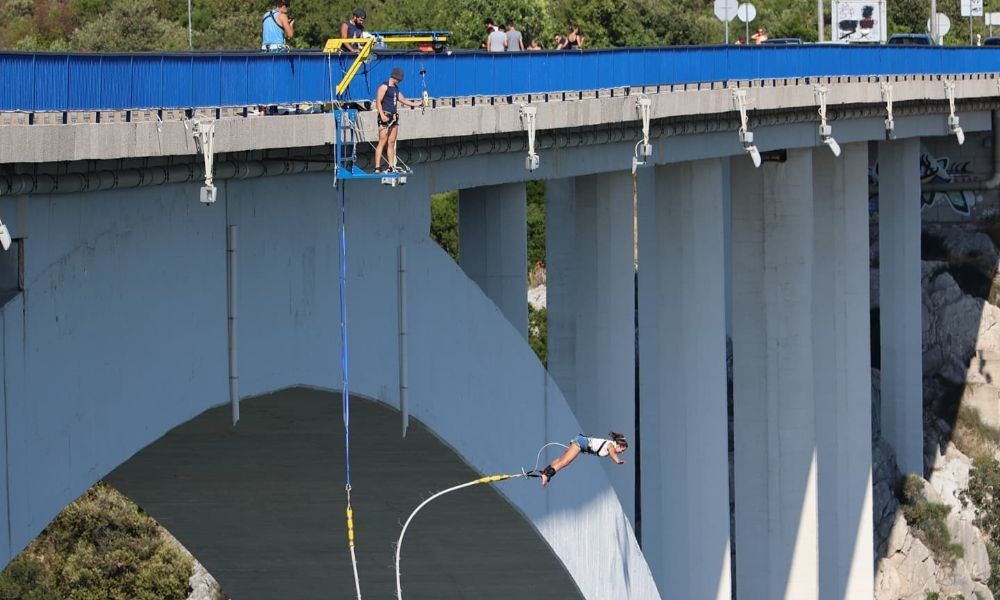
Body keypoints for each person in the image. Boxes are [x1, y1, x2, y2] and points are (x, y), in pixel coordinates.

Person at [374, 68, 422, 173]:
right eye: (399, 79)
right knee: (382, 141)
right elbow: (378, 101)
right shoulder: (384, 87)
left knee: (391, 142)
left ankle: (391, 166)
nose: (399, 81)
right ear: (394, 77)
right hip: (385, 117)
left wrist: (418, 104)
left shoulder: (395, 88)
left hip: (394, 118)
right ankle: (377, 167)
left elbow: (403, 100)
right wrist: (381, 115)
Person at [538, 432, 628, 487]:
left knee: (562, 459)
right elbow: (613, 453)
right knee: (565, 461)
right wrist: (618, 461)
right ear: (619, 445)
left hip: (581, 441)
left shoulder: (610, 445)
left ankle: (546, 471)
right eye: (622, 450)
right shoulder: (611, 446)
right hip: (581, 443)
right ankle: (547, 475)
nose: (621, 452)